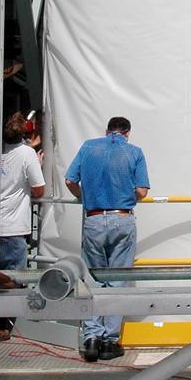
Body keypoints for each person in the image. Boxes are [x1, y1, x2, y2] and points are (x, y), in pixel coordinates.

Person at [65, 116, 150, 362]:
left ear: (107, 131)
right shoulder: (135, 152)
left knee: (93, 279)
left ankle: (91, 338)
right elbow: (142, 190)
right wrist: (126, 197)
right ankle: (110, 342)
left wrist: (85, 197)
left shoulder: (88, 147)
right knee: (118, 281)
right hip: (122, 218)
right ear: (127, 133)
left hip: (93, 219)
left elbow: (70, 180)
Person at [0, 111, 46, 339]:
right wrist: (37, 162)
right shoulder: (27, 154)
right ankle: (4, 326)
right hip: (14, 226)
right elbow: (39, 189)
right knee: (14, 280)